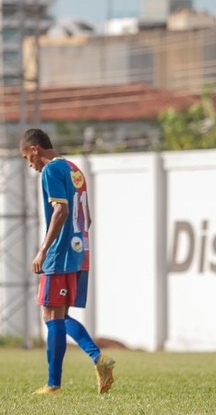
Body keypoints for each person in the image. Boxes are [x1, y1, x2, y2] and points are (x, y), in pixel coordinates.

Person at [20, 129, 115, 395]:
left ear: (35, 149)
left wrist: (43, 250)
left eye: (27, 158)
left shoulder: (51, 170)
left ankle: (54, 384)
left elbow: (60, 210)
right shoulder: (74, 169)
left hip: (60, 253)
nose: (30, 165)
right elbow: (87, 218)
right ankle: (98, 359)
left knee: (52, 316)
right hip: (79, 251)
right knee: (57, 316)